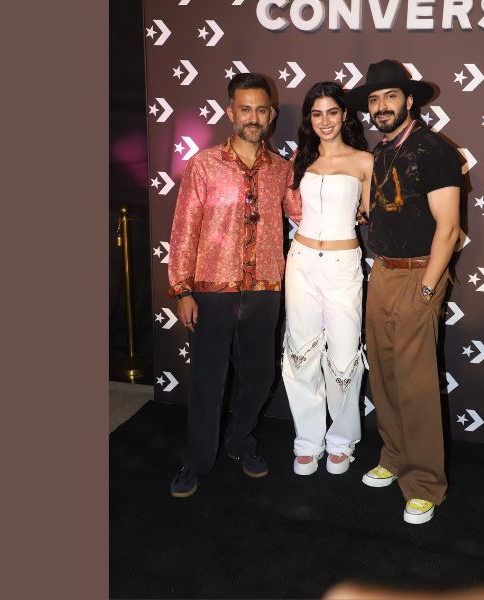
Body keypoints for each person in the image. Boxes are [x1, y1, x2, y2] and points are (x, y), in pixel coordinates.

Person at [166, 73, 302, 498]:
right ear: (230, 112)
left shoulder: (282, 169)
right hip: (212, 290)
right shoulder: (204, 164)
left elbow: (304, 213)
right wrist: (182, 289)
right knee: (208, 381)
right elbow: (185, 228)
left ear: (271, 114)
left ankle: (241, 443)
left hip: (265, 290)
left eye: (261, 109)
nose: (253, 117)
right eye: (245, 109)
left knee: (259, 377)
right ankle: (196, 460)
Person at [345, 60, 464, 524]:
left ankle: (425, 484)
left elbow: (448, 228)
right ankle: (393, 457)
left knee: (416, 385)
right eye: (374, 99)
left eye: (390, 97)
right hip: (382, 273)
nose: (381, 106)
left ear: (409, 100)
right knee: (386, 377)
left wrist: (428, 286)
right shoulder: (380, 151)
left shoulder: (434, 150)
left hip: (419, 275)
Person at [282, 82, 373, 476]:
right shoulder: (300, 159)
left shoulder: (365, 161)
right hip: (301, 261)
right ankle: (307, 441)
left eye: (332, 112)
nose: (325, 121)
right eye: (317, 113)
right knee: (301, 353)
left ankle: (341, 441)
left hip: (342, 265)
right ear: (309, 118)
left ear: (345, 115)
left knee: (344, 357)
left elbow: (372, 214)